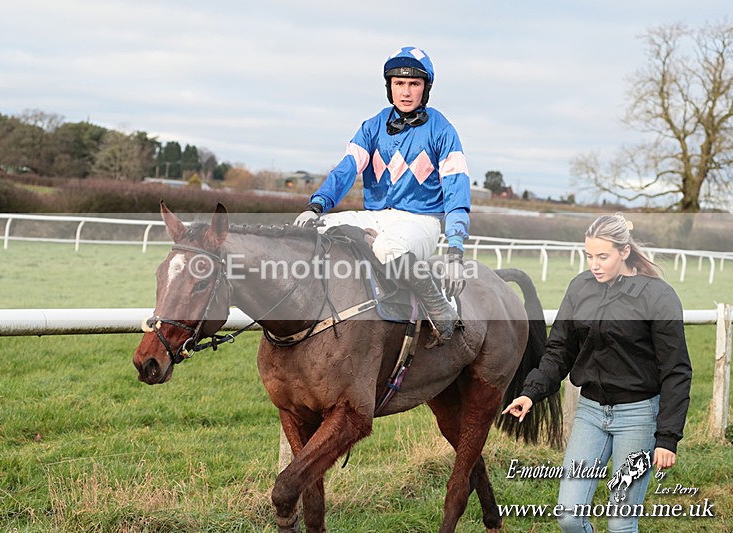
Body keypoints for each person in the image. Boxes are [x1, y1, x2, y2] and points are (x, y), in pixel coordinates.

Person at [502, 213, 692, 533]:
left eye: (602, 256)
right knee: (569, 516)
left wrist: (667, 438)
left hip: (639, 416)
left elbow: (676, 370)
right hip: (590, 413)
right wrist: (530, 392)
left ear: (624, 252)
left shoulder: (658, 296)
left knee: (620, 523)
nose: (594, 264)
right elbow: (559, 350)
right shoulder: (580, 288)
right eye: (589, 256)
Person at [293, 46, 472, 344]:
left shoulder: (443, 131)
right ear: (389, 87)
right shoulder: (372, 126)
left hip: (422, 222)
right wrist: (316, 206)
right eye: (398, 84)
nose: (405, 92)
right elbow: (346, 170)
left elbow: (456, 192)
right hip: (376, 217)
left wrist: (455, 250)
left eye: (414, 84)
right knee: (313, 231)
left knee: (388, 247)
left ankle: (437, 305)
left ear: (425, 89)